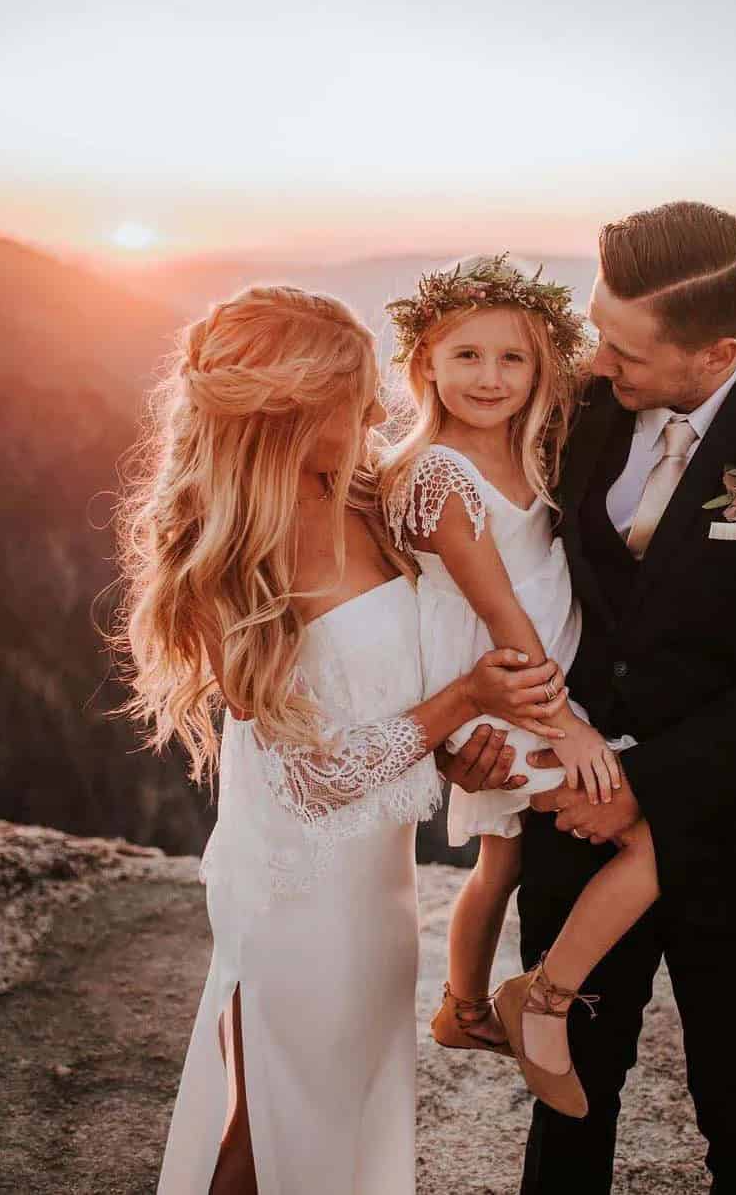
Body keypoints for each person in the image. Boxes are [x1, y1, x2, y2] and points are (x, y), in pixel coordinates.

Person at [470, 201, 736, 1194]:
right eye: (594, 330)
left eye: (622, 348)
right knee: (568, 1110)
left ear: (717, 352)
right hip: (571, 827)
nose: (598, 360)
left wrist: (641, 784)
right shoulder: (581, 403)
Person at [111, 284, 567, 1195]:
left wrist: (456, 745)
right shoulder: (235, 557)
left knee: (343, 1099)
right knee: (278, 1121)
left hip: (376, 881)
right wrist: (460, 701)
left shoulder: (369, 494)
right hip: (294, 884)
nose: (374, 410)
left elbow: (395, 680)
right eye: (350, 396)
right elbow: (317, 780)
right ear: (287, 412)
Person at [380, 256, 736, 1121]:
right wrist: (571, 732)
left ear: (542, 368)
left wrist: (735, 335)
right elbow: (504, 620)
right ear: (425, 367)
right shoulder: (440, 475)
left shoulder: (538, 429)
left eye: (513, 360)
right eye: (466, 358)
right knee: (652, 829)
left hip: (542, 689)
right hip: (503, 690)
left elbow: (647, 357)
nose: (491, 378)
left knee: (506, 854)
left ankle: (462, 1006)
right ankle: (547, 997)